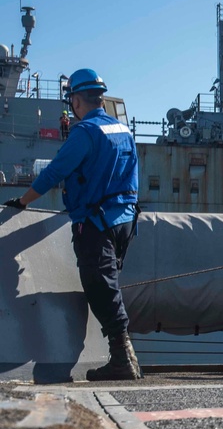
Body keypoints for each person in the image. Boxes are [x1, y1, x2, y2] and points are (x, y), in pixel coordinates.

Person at [3, 68, 142, 380]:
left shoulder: (85, 132)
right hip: (124, 221)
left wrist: (23, 201)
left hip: (95, 220)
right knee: (107, 284)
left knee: (100, 286)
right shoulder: (122, 129)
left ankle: (123, 358)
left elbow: (54, 173)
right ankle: (124, 357)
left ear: (77, 100)